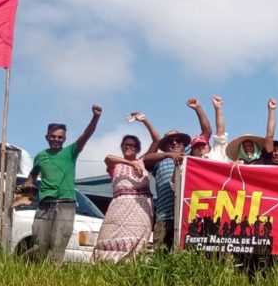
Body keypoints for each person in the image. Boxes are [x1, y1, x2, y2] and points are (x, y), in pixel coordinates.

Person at [25, 105, 102, 261]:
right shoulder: (40, 156)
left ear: (64, 139)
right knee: (40, 244)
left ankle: (52, 277)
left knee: (59, 244)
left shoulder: (70, 152)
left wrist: (95, 117)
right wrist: (29, 184)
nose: (56, 139)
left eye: (60, 137)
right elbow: (32, 174)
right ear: (47, 137)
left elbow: (86, 135)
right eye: (53, 136)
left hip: (66, 203)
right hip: (45, 203)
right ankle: (24, 267)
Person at [94, 113, 161, 261]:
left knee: (137, 237)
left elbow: (158, 140)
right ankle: (106, 266)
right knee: (109, 235)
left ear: (137, 149)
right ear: (122, 147)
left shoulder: (144, 160)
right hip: (119, 204)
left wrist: (145, 120)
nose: (128, 147)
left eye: (132, 146)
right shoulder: (115, 164)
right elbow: (108, 158)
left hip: (140, 204)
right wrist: (132, 164)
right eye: (125, 145)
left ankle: (130, 269)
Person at [143, 129, 190, 250]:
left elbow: (207, 133)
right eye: (170, 141)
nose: (174, 143)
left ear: (184, 145)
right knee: (161, 254)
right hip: (165, 217)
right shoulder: (159, 161)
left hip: (187, 217)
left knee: (186, 255)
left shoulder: (191, 158)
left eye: (178, 140)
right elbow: (145, 159)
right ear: (165, 146)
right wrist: (168, 155)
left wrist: (199, 109)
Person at [227, 98, 278, 165]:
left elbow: (270, 136)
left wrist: (271, 110)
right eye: (244, 147)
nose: (248, 148)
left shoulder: (264, 158)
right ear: (241, 150)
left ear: (256, 147)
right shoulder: (237, 164)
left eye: (251, 146)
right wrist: (233, 165)